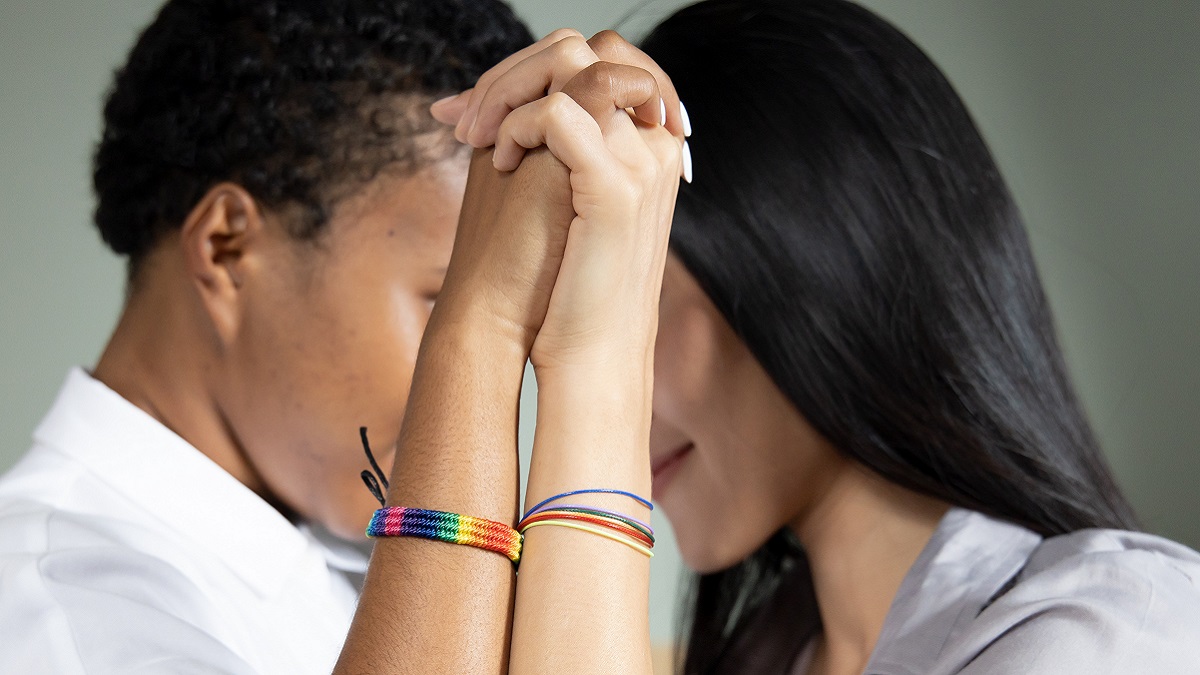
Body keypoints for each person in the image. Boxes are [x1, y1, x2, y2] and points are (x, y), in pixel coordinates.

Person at [420, 0, 1200, 673]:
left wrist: (589, 367)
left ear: (806, 263)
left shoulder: (1112, 626)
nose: (626, 393)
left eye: (639, 307)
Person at [0, 0, 686, 671]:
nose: (497, 397)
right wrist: (483, 329)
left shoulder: (333, 541)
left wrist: (602, 354)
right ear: (227, 246)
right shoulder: (68, 622)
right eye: (440, 297)